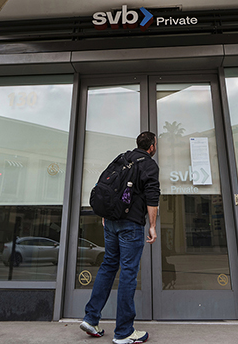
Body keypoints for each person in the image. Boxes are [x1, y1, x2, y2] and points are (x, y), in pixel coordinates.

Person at [80, 131, 160, 344]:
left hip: (111, 221)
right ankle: (124, 332)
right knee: (128, 273)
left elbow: (106, 187)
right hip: (131, 225)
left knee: (108, 266)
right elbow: (152, 198)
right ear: (152, 146)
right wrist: (152, 226)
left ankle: (91, 318)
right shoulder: (149, 165)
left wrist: (106, 214)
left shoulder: (122, 157)